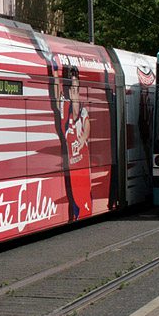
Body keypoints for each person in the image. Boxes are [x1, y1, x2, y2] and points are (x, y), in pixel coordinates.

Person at [54, 64, 92, 221]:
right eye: (72, 90)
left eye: (77, 90)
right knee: (75, 208)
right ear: (68, 92)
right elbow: (57, 95)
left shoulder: (83, 112)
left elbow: (87, 127)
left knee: (85, 208)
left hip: (84, 172)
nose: (75, 94)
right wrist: (55, 72)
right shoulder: (65, 113)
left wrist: (82, 140)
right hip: (72, 172)